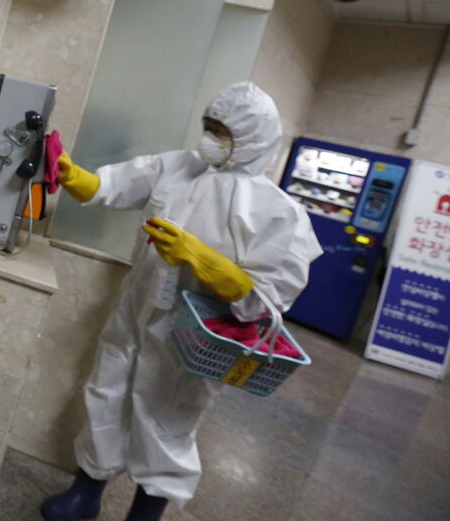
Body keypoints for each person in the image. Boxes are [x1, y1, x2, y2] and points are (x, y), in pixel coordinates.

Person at [41, 82, 321, 521]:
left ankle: (146, 512)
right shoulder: (178, 166)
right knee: (107, 391)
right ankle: (86, 491)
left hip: (194, 331)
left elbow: (267, 298)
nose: (209, 137)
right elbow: (110, 187)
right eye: (209, 125)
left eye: (222, 132)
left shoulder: (276, 211)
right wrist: (71, 173)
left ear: (252, 140)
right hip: (137, 308)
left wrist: (204, 260)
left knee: (168, 417)